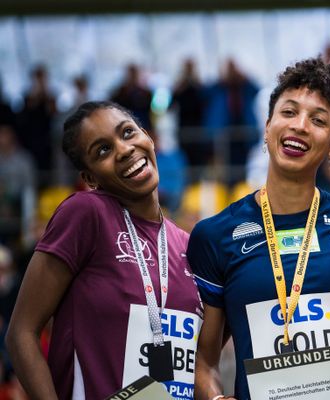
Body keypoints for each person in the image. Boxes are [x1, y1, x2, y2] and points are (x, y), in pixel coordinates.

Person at [187, 58, 330, 400]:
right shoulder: (215, 235)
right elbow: (203, 361)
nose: (301, 126)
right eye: (289, 112)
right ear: (267, 126)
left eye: (318, 120)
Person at [6, 101, 202, 400]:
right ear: (90, 178)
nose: (124, 150)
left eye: (127, 133)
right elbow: (21, 333)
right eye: (103, 150)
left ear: (148, 137)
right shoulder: (87, 214)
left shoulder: (186, 245)